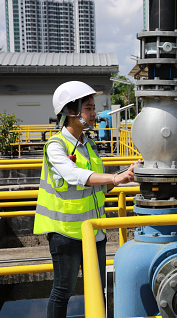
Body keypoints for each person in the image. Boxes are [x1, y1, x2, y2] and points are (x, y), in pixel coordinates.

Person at [33, 81, 135, 318]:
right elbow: (75, 176)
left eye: (93, 108)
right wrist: (114, 176)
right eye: (88, 108)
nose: (94, 113)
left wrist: (122, 178)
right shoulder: (55, 146)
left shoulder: (88, 145)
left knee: (97, 288)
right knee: (63, 291)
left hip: (94, 231)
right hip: (65, 233)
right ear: (71, 112)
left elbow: (98, 187)